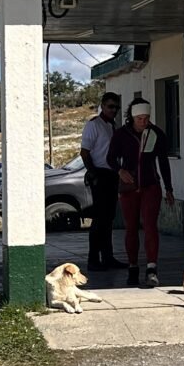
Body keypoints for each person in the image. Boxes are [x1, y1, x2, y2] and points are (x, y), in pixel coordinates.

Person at [110, 95, 175, 287]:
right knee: (131, 227)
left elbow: (163, 162)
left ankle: (151, 268)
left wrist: (169, 188)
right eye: (140, 119)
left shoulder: (156, 134)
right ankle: (132, 267)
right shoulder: (121, 134)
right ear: (132, 117)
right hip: (129, 188)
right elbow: (110, 158)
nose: (143, 122)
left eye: (146, 118)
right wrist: (120, 171)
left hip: (150, 185)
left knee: (150, 226)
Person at [80, 90, 122, 270]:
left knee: (108, 219)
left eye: (116, 107)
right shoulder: (94, 125)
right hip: (100, 174)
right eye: (110, 106)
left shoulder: (112, 125)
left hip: (112, 174)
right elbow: (84, 152)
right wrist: (93, 173)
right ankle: (93, 259)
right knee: (99, 219)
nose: (114, 110)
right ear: (102, 106)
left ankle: (107, 257)